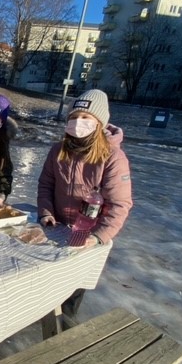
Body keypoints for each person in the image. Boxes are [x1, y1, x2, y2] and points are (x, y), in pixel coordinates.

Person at [37, 88, 133, 316]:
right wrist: (46, 213)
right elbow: (45, 185)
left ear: (99, 122)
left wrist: (98, 236)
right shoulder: (57, 151)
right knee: (49, 282)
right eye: (74, 117)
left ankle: (65, 328)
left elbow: (120, 204)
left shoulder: (112, 157)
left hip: (89, 235)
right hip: (57, 228)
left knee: (73, 289)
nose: (78, 122)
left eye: (85, 118)